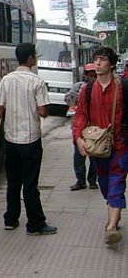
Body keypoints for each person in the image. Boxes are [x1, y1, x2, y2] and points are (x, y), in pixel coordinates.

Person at [0, 42, 56, 235]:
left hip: (11, 139)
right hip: (31, 140)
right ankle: (35, 224)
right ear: (30, 59)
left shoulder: (7, 80)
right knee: (30, 183)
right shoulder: (36, 82)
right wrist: (40, 109)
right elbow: (43, 112)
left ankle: (11, 219)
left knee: (13, 181)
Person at [72, 46, 128, 245]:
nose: (97, 63)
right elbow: (80, 117)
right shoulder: (86, 90)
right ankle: (115, 213)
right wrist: (78, 139)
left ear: (111, 64)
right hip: (97, 147)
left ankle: (112, 226)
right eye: (95, 59)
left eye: (102, 59)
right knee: (104, 184)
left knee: (117, 183)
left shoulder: (124, 87)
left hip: (121, 145)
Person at [65, 63, 98, 191]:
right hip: (80, 125)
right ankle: (80, 180)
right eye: (90, 75)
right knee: (79, 156)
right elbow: (69, 99)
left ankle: (92, 180)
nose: (92, 77)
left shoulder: (101, 88)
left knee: (95, 155)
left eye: (94, 75)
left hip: (95, 128)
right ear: (85, 75)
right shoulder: (78, 87)